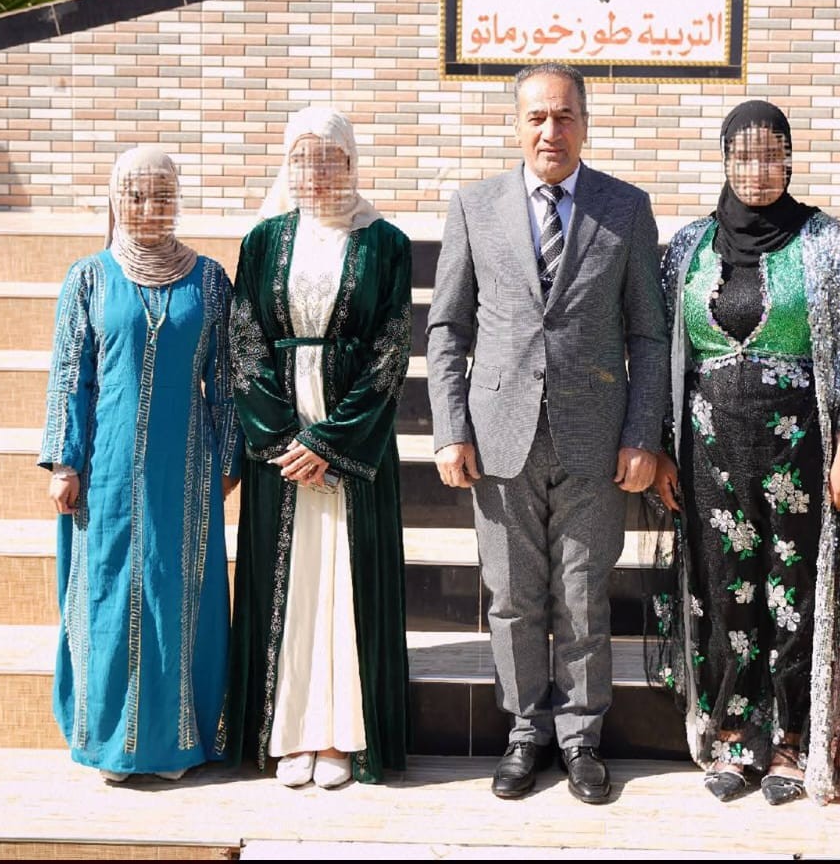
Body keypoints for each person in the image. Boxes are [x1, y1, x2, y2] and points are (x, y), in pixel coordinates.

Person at [426, 62, 669, 804]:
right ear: (517, 125)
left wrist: (643, 434)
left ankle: (582, 738)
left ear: (584, 125)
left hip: (596, 438)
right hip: (500, 437)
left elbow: (648, 333)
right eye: (536, 116)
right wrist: (450, 428)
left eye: (564, 116)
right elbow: (447, 326)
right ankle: (526, 732)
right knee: (511, 596)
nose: (550, 130)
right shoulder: (474, 206)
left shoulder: (625, 209)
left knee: (583, 595)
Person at [647, 100, 840, 810]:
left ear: (789, 160)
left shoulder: (827, 244)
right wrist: (662, 448)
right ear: (725, 161)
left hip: (800, 455)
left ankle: (792, 741)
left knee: (795, 595)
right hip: (708, 456)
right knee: (725, 594)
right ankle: (734, 736)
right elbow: (661, 351)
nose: (756, 170)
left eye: (770, 155)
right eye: (743, 156)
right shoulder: (689, 247)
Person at [220, 106, 412, 790]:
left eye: (330, 157)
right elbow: (244, 342)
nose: (317, 171)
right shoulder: (263, 241)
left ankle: (341, 735)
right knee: (291, 581)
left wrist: (330, 442)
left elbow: (392, 350)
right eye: (302, 157)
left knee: (344, 581)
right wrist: (283, 441)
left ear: (352, 163)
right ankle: (289, 732)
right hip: (280, 449)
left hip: (353, 444)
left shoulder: (386, 243)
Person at [40, 146, 242, 783]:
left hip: (187, 472)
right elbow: (70, 376)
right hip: (106, 473)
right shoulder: (89, 278)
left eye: (162, 195)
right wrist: (64, 463)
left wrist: (230, 458)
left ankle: (176, 743)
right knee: (108, 597)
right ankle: (111, 745)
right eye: (135, 195)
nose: (149, 206)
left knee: (176, 597)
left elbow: (227, 380)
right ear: (115, 200)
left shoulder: (210, 281)